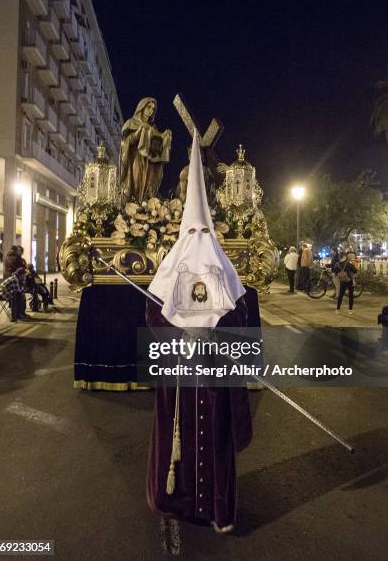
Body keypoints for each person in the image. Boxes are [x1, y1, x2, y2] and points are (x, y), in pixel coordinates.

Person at [146, 130, 253, 533]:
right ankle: (179, 503)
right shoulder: (170, 267)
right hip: (178, 378)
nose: (198, 239)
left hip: (213, 377)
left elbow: (240, 315)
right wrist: (182, 338)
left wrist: (213, 337)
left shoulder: (223, 268)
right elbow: (153, 316)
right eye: (192, 233)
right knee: (178, 441)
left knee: (214, 442)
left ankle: (215, 509)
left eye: (204, 233)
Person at [119, 97, 172, 204]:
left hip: (150, 163)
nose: (151, 110)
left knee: (149, 186)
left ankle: (146, 208)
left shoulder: (153, 127)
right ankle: (132, 209)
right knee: (136, 184)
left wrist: (164, 137)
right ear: (142, 107)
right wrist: (139, 132)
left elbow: (157, 145)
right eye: (149, 107)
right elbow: (125, 142)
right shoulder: (130, 123)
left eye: (153, 109)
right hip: (136, 159)